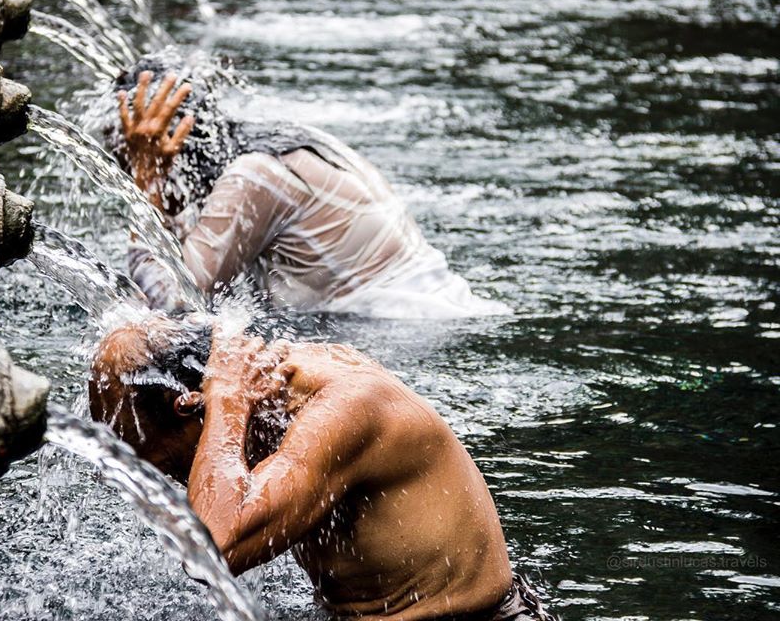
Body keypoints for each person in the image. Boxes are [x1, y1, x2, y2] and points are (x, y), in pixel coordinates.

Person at [90, 313, 556, 620]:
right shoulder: (272, 392)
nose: (183, 484)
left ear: (192, 408)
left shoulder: (345, 407)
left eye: (170, 465)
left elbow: (212, 547)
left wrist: (228, 402)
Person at [111, 51, 510, 319]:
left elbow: (170, 304)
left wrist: (146, 180)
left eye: (131, 147)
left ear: (169, 144)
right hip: (437, 311)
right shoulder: (278, 142)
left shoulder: (256, 176)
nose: (119, 161)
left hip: (398, 329)